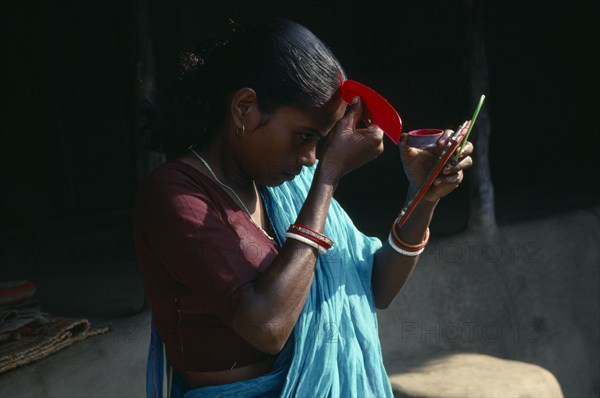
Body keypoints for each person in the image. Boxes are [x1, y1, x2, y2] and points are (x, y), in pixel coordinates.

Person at [132, 18, 474, 398]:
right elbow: (268, 326)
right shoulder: (174, 195)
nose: (311, 157)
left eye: (321, 141)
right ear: (244, 108)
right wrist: (329, 176)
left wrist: (421, 196)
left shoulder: (286, 189)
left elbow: (375, 287)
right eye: (304, 137)